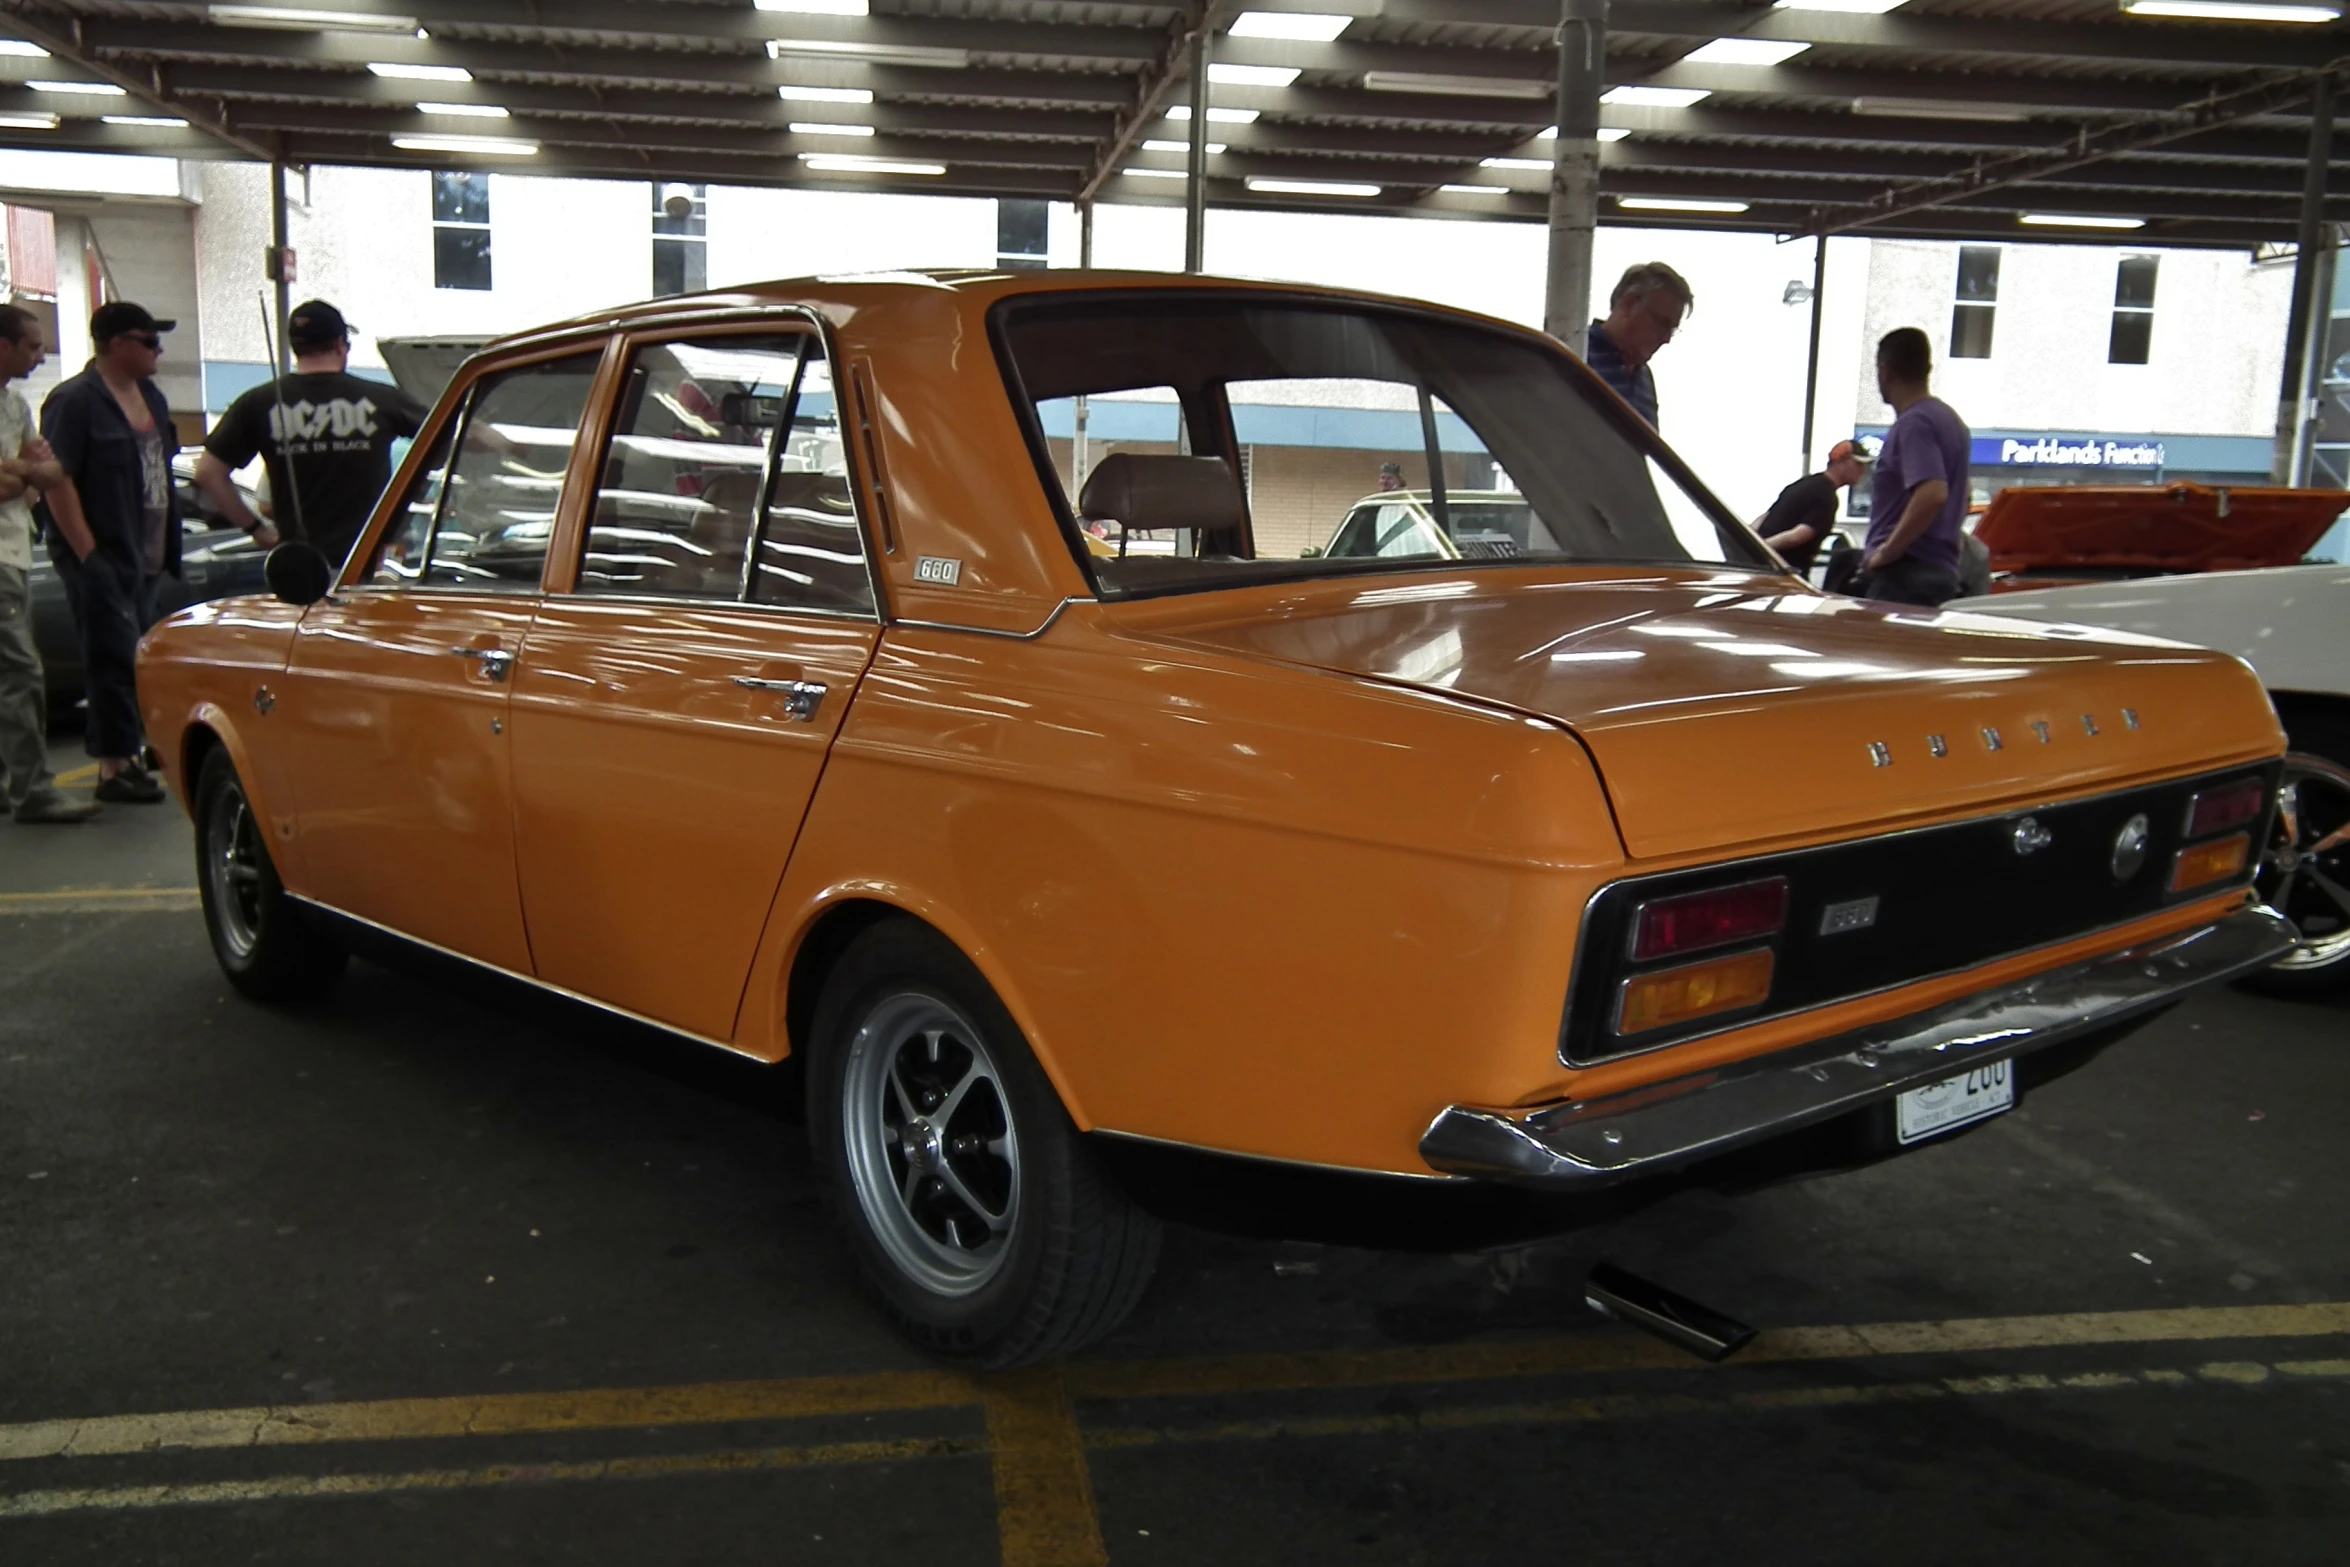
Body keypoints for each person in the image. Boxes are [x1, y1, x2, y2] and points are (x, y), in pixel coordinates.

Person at [39, 301, 181, 804]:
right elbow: (58, 482)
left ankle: (128, 755)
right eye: (148, 341)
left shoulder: (152, 397)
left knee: (136, 659)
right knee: (112, 658)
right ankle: (113, 766)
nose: (158, 350)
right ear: (116, 345)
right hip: (101, 552)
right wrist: (88, 556)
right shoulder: (75, 402)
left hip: (147, 554)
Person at [198, 299, 428, 568]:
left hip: (301, 567)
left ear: (295, 348)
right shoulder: (380, 398)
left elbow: (207, 473)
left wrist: (258, 532)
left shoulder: (258, 402)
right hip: (367, 562)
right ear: (341, 345)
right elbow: (459, 432)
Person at [0, 306, 100, 824]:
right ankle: (33, 790)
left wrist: (20, 471)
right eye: (32, 346)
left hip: (13, 548)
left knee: (13, 672)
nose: (40, 356)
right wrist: (24, 474)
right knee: (20, 672)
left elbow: (48, 472)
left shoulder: (15, 405)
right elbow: (19, 481)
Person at [1859, 326, 1970, 608]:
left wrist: (1886, 553)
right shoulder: (1951, 421)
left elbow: (1933, 493)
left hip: (1905, 576)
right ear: (1927, 368)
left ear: (1885, 372)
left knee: (1878, 652)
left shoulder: (1914, 423)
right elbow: (1964, 495)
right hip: (1940, 571)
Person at [1584, 261, 1692, 429]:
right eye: (1661, 323)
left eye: (1671, 330)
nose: (1666, 339)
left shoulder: (1644, 378)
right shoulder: (1576, 349)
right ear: (1629, 304)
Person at [1755, 439, 1867, 576]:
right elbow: (1797, 536)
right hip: (1785, 573)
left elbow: (1766, 516)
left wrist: (1749, 544)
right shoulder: (1826, 497)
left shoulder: (1803, 483)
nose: (1862, 471)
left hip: (1764, 568)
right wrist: (1759, 549)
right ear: (1840, 462)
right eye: (1858, 464)